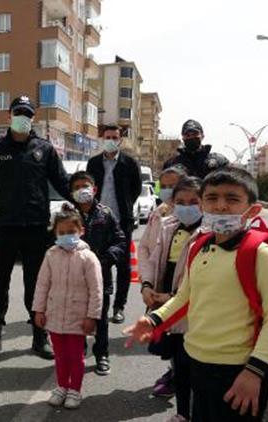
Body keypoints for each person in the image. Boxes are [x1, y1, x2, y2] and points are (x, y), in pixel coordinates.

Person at [127, 167, 268, 422]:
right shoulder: (199, 247)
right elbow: (184, 297)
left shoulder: (262, 255)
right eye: (212, 198)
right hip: (198, 363)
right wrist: (153, 320)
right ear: (203, 205)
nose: (221, 206)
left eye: (232, 199)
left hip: (238, 371)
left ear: (253, 210)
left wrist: (255, 371)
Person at [0, 95, 70, 361]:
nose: (23, 118)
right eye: (18, 112)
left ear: (33, 118)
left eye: (27, 114)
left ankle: (40, 338)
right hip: (4, 228)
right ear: (9, 116)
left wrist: (83, 199)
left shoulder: (44, 149)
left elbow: (62, 182)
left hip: (36, 229)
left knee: (37, 285)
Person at [141, 176, 203, 421]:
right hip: (167, 309)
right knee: (179, 364)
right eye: (181, 201)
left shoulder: (210, 233)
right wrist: (147, 286)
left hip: (194, 313)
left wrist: (173, 297)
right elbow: (155, 261)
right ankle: (181, 414)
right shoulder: (168, 227)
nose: (187, 207)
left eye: (194, 201)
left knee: (196, 367)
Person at [32, 203, 103, 409]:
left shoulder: (88, 258)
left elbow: (96, 290)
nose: (66, 236)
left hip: (78, 318)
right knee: (61, 356)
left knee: (75, 356)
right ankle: (62, 386)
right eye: (61, 232)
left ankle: (75, 390)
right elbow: (42, 284)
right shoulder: (51, 255)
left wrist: (92, 316)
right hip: (54, 316)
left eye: (71, 232)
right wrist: (39, 310)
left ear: (81, 231)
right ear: (55, 232)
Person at [68, 171, 127, 376]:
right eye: (76, 187)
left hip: (101, 278)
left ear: (94, 189)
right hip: (74, 279)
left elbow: (120, 241)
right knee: (77, 318)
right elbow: (55, 241)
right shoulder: (67, 216)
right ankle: (79, 352)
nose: (81, 191)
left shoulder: (106, 214)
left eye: (85, 186)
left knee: (100, 318)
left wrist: (105, 259)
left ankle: (102, 354)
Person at [137, 165, 187, 392]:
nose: (168, 191)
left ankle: (183, 381)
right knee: (168, 337)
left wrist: (174, 295)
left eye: (173, 185)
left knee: (184, 338)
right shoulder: (159, 213)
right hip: (160, 286)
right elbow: (145, 249)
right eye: (163, 186)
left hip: (184, 292)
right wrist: (146, 284)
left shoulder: (198, 218)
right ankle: (176, 373)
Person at [86, 124, 142, 324]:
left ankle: (119, 307)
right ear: (102, 139)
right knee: (100, 265)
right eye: (108, 136)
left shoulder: (129, 163)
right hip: (98, 224)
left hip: (122, 223)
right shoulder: (93, 163)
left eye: (115, 137)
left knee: (123, 267)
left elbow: (135, 189)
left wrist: (125, 207)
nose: (111, 140)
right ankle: (101, 304)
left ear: (120, 139)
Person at [163, 119, 229, 179]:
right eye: (187, 135)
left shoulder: (218, 161)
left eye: (195, 134)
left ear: (202, 136)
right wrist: (157, 192)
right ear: (183, 138)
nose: (191, 137)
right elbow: (159, 185)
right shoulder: (172, 164)